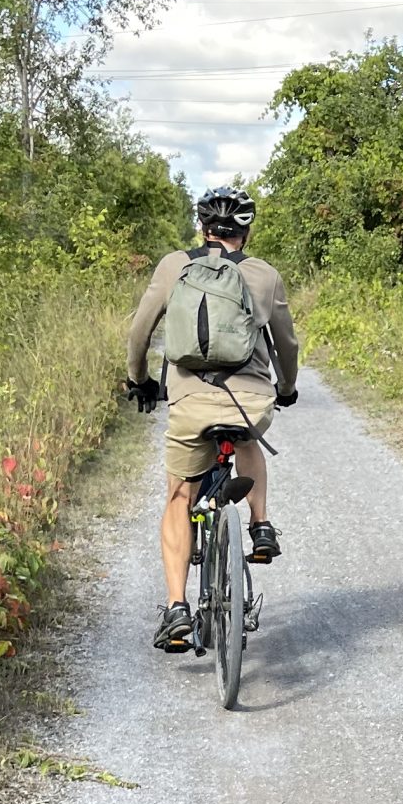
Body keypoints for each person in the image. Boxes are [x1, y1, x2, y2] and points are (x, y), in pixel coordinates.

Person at [124, 185, 299, 651]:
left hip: (190, 403)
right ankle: (260, 525)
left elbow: (140, 331)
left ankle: (176, 608)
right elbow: (287, 343)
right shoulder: (264, 275)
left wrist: (139, 379)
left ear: (202, 227)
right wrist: (286, 387)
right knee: (248, 440)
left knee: (179, 496)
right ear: (246, 232)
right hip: (249, 402)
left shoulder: (174, 266)